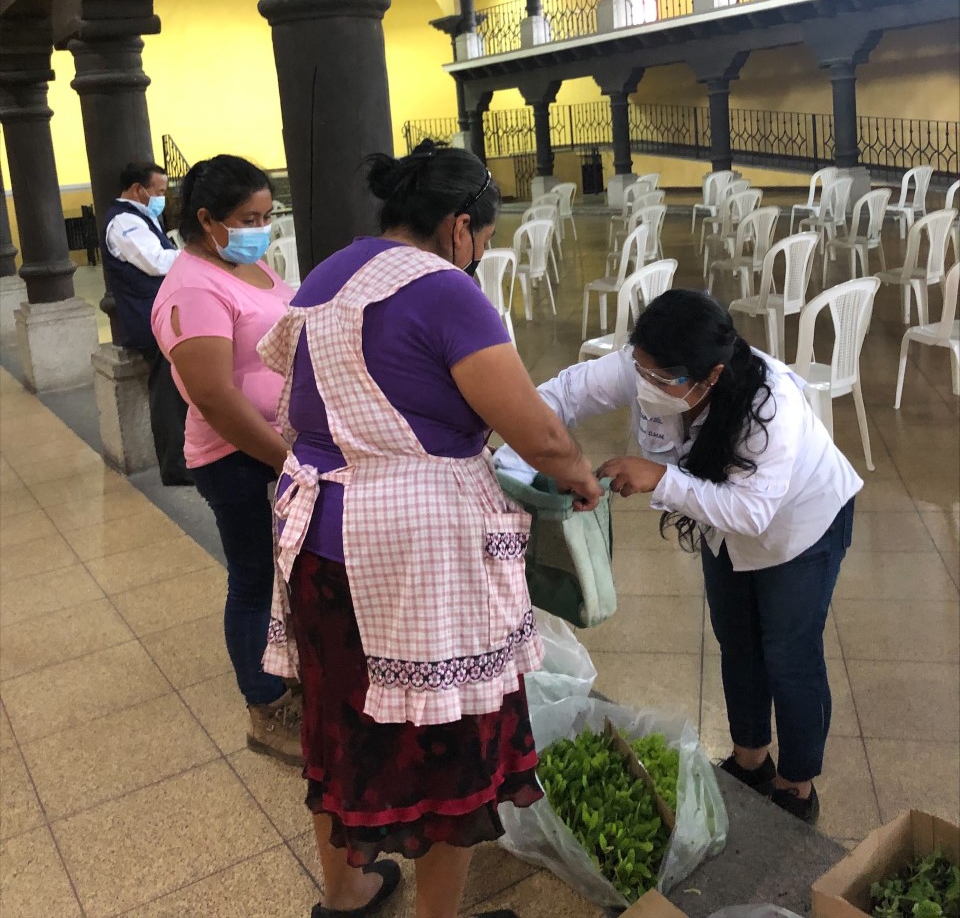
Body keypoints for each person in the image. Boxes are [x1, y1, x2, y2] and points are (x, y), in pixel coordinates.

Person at [258, 141, 603, 918]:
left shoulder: (329, 273)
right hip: (409, 551)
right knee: (450, 734)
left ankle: (345, 893)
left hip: (316, 536)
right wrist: (580, 475)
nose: (480, 253)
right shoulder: (448, 292)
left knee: (338, 717)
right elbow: (534, 432)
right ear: (458, 226)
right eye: (481, 238)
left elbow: (298, 392)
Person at [495, 288, 861, 827]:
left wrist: (659, 478)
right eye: (639, 368)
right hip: (725, 528)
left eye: (660, 377)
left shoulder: (770, 405)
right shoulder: (648, 366)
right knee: (736, 639)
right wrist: (524, 456)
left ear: (711, 375)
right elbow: (565, 394)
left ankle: (795, 785)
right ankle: (750, 759)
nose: (645, 384)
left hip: (801, 529)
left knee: (789, 653)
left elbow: (752, 512)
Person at [151, 154, 301, 765]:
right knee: (253, 577)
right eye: (248, 217)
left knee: (284, 576)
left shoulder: (245, 262)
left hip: (280, 448)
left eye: (267, 215)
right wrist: (281, 458)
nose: (261, 228)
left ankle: (286, 676)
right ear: (206, 219)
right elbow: (213, 395)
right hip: (237, 457)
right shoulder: (192, 287)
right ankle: (263, 709)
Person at [101, 160, 189, 485]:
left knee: (178, 389)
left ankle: (187, 456)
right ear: (139, 190)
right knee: (167, 392)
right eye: (160, 191)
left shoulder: (141, 216)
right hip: (148, 322)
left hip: (161, 317)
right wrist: (199, 254)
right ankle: (176, 465)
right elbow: (156, 261)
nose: (163, 197)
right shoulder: (125, 221)